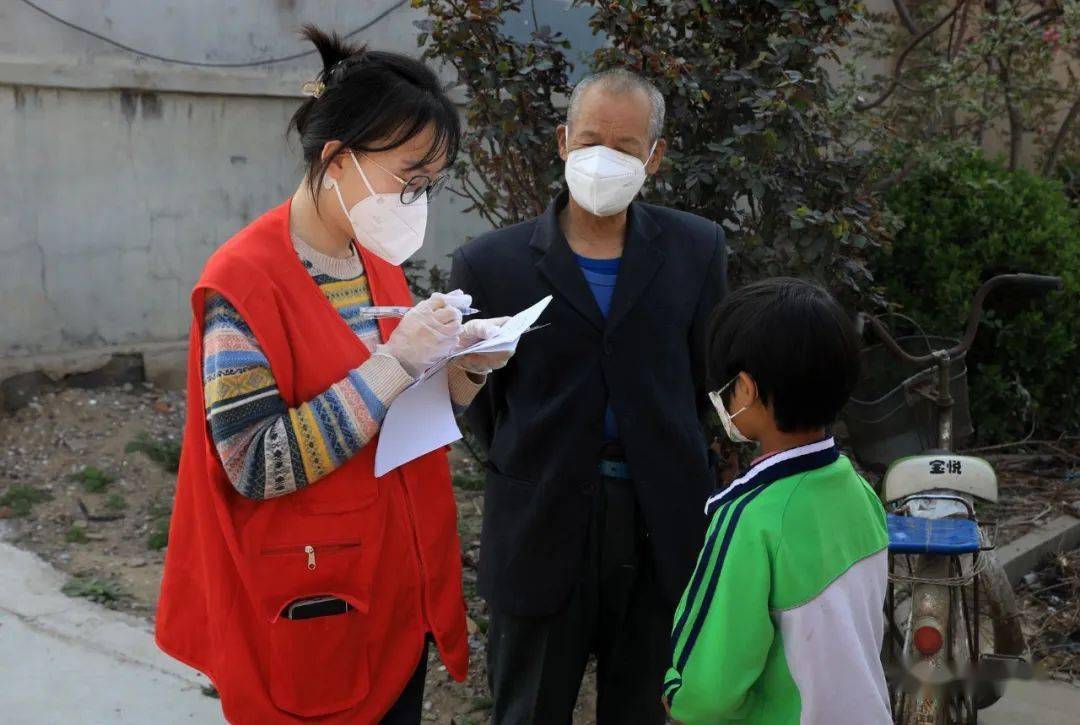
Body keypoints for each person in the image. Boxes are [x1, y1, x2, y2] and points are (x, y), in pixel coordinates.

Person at [155, 27, 514, 724]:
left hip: (392, 596)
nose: (416, 202)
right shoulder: (242, 283)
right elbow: (254, 462)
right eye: (408, 180)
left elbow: (398, 419)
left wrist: (464, 372)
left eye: (428, 186)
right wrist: (394, 361)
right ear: (338, 160)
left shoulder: (372, 259)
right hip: (309, 600)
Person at [449, 69, 727, 723]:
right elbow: (480, 406)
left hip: (662, 527)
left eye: (626, 147)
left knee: (648, 710)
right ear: (562, 141)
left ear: (654, 158)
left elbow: (704, 379)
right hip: (540, 521)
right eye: (592, 138)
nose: (606, 157)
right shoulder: (492, 263)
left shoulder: (697, 249)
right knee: (528, 709)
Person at [663, 278, 890, 725]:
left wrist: (678, 693)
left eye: (724, 386)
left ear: (745, 389)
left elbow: (709, 691)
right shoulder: (859, 491)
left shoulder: (748, 517)